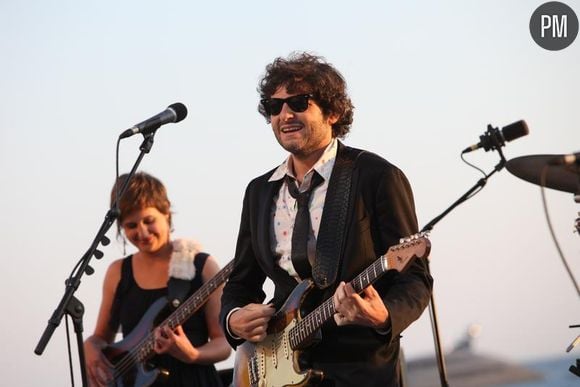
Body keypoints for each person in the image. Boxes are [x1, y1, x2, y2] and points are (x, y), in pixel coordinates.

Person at [219, 52, 433, 387]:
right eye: (274, 107)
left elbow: (416, 280)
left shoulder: (376, 176)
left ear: (333, 112)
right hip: (278, 370)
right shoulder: (259, 192)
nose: (284, 114)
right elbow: (240, 284)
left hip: (360, 369)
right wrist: (233, 320)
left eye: (299, 102)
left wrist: (384, 315)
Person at [84, 172, 231, 387]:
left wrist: (192, 354)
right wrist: (90, 346)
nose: (142, 232)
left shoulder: (202, 265)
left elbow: (223, 343)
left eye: (149, 220)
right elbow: (101, 337)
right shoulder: (117, 272)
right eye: (131, 226)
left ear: (167, 213)